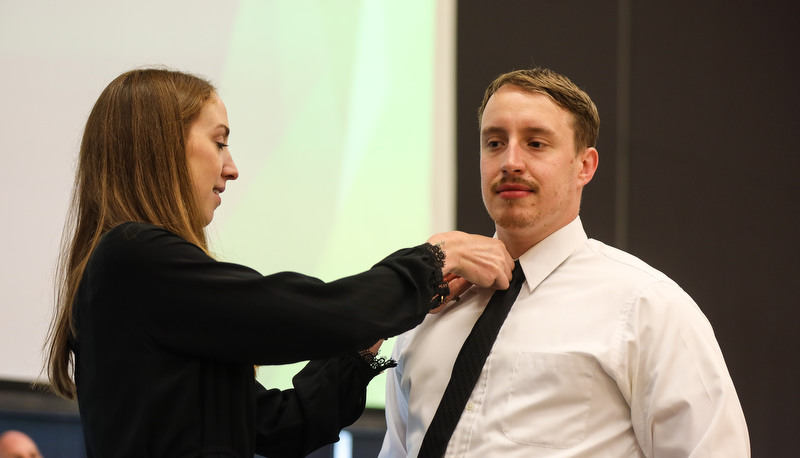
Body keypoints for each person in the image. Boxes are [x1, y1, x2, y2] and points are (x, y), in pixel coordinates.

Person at [44, 68, 514, 457]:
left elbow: (279, 425)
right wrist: (432, 263)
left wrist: (363, 339)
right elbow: (300, 312)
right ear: (162, 146)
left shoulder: (132, 269)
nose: (232, 167)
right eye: (219, 141)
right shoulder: (133, 257)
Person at [379, 67, 750, 457]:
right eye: (494, 142)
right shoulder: (431, 304)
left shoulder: (646, 306)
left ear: (584, 166)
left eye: (536, 143)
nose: (510, 162)